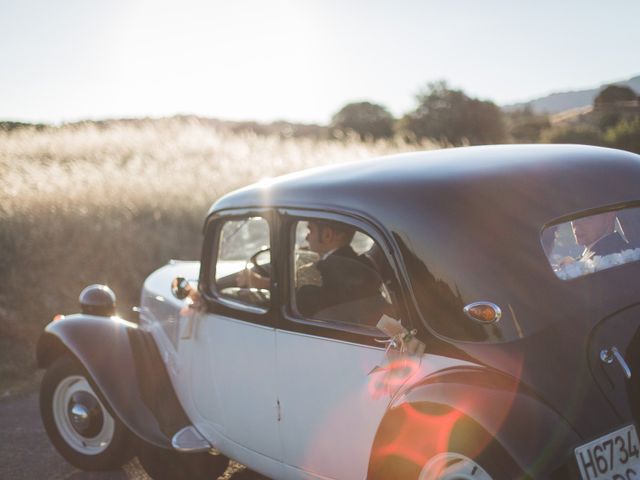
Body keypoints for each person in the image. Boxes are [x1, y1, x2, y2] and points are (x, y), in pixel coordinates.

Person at [295, 220, 382, 318]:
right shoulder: (364, 264)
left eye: (311, 230)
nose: (307, 237)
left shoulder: (315, 273)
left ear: (327, 235)